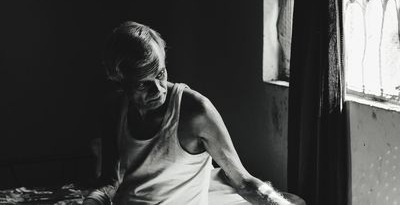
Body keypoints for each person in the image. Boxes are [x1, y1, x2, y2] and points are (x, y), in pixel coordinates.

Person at [83, 21, 295, 205]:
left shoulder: (195, 112)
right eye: (142, 84)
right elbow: (110, 181)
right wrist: (94, 199)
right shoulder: (114, 110)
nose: (158, 89)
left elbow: (243, 181)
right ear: (122, 83)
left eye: (160, 73)